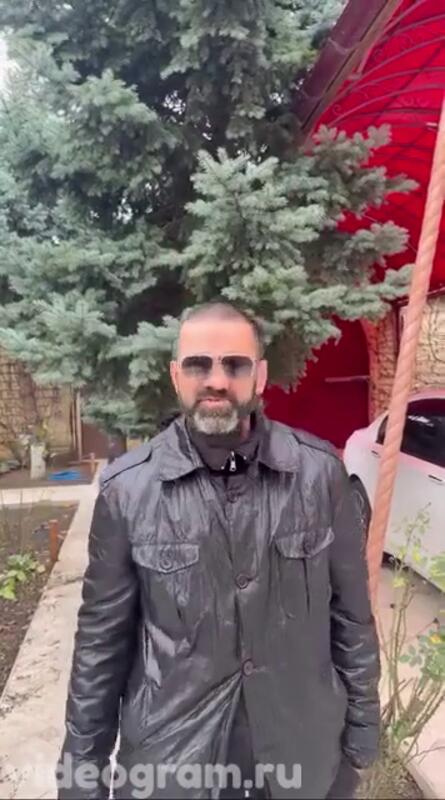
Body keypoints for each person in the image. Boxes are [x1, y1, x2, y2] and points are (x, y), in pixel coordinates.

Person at [57, 302, 380, 800]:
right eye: (198, 365)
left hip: (302, 759)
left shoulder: (319, 476)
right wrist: (82, 776)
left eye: (235, 364)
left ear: (260, 376)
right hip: (174, 766)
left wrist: (361, 739)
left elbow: (351, 618)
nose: (216, 380)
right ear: (176, 376)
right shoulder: (128, 492)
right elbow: (100, 646)